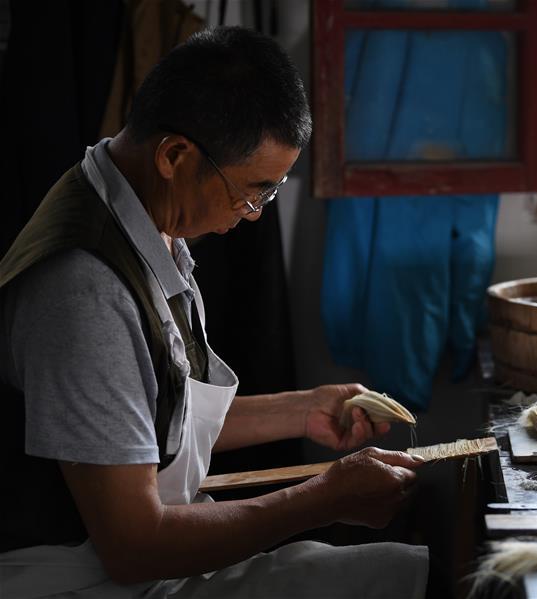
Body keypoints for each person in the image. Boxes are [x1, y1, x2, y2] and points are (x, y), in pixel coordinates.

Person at [0, 26, 428, 598]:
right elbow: (134, 545)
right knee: (395, 581)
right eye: (253, 192)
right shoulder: (85, 290)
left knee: (402, 571)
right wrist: (324, 500)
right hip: (80, 580)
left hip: (133, 562)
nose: (252, 214)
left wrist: (305, 410)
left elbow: (145, 421)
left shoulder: (132, 208)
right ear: (175, 156)